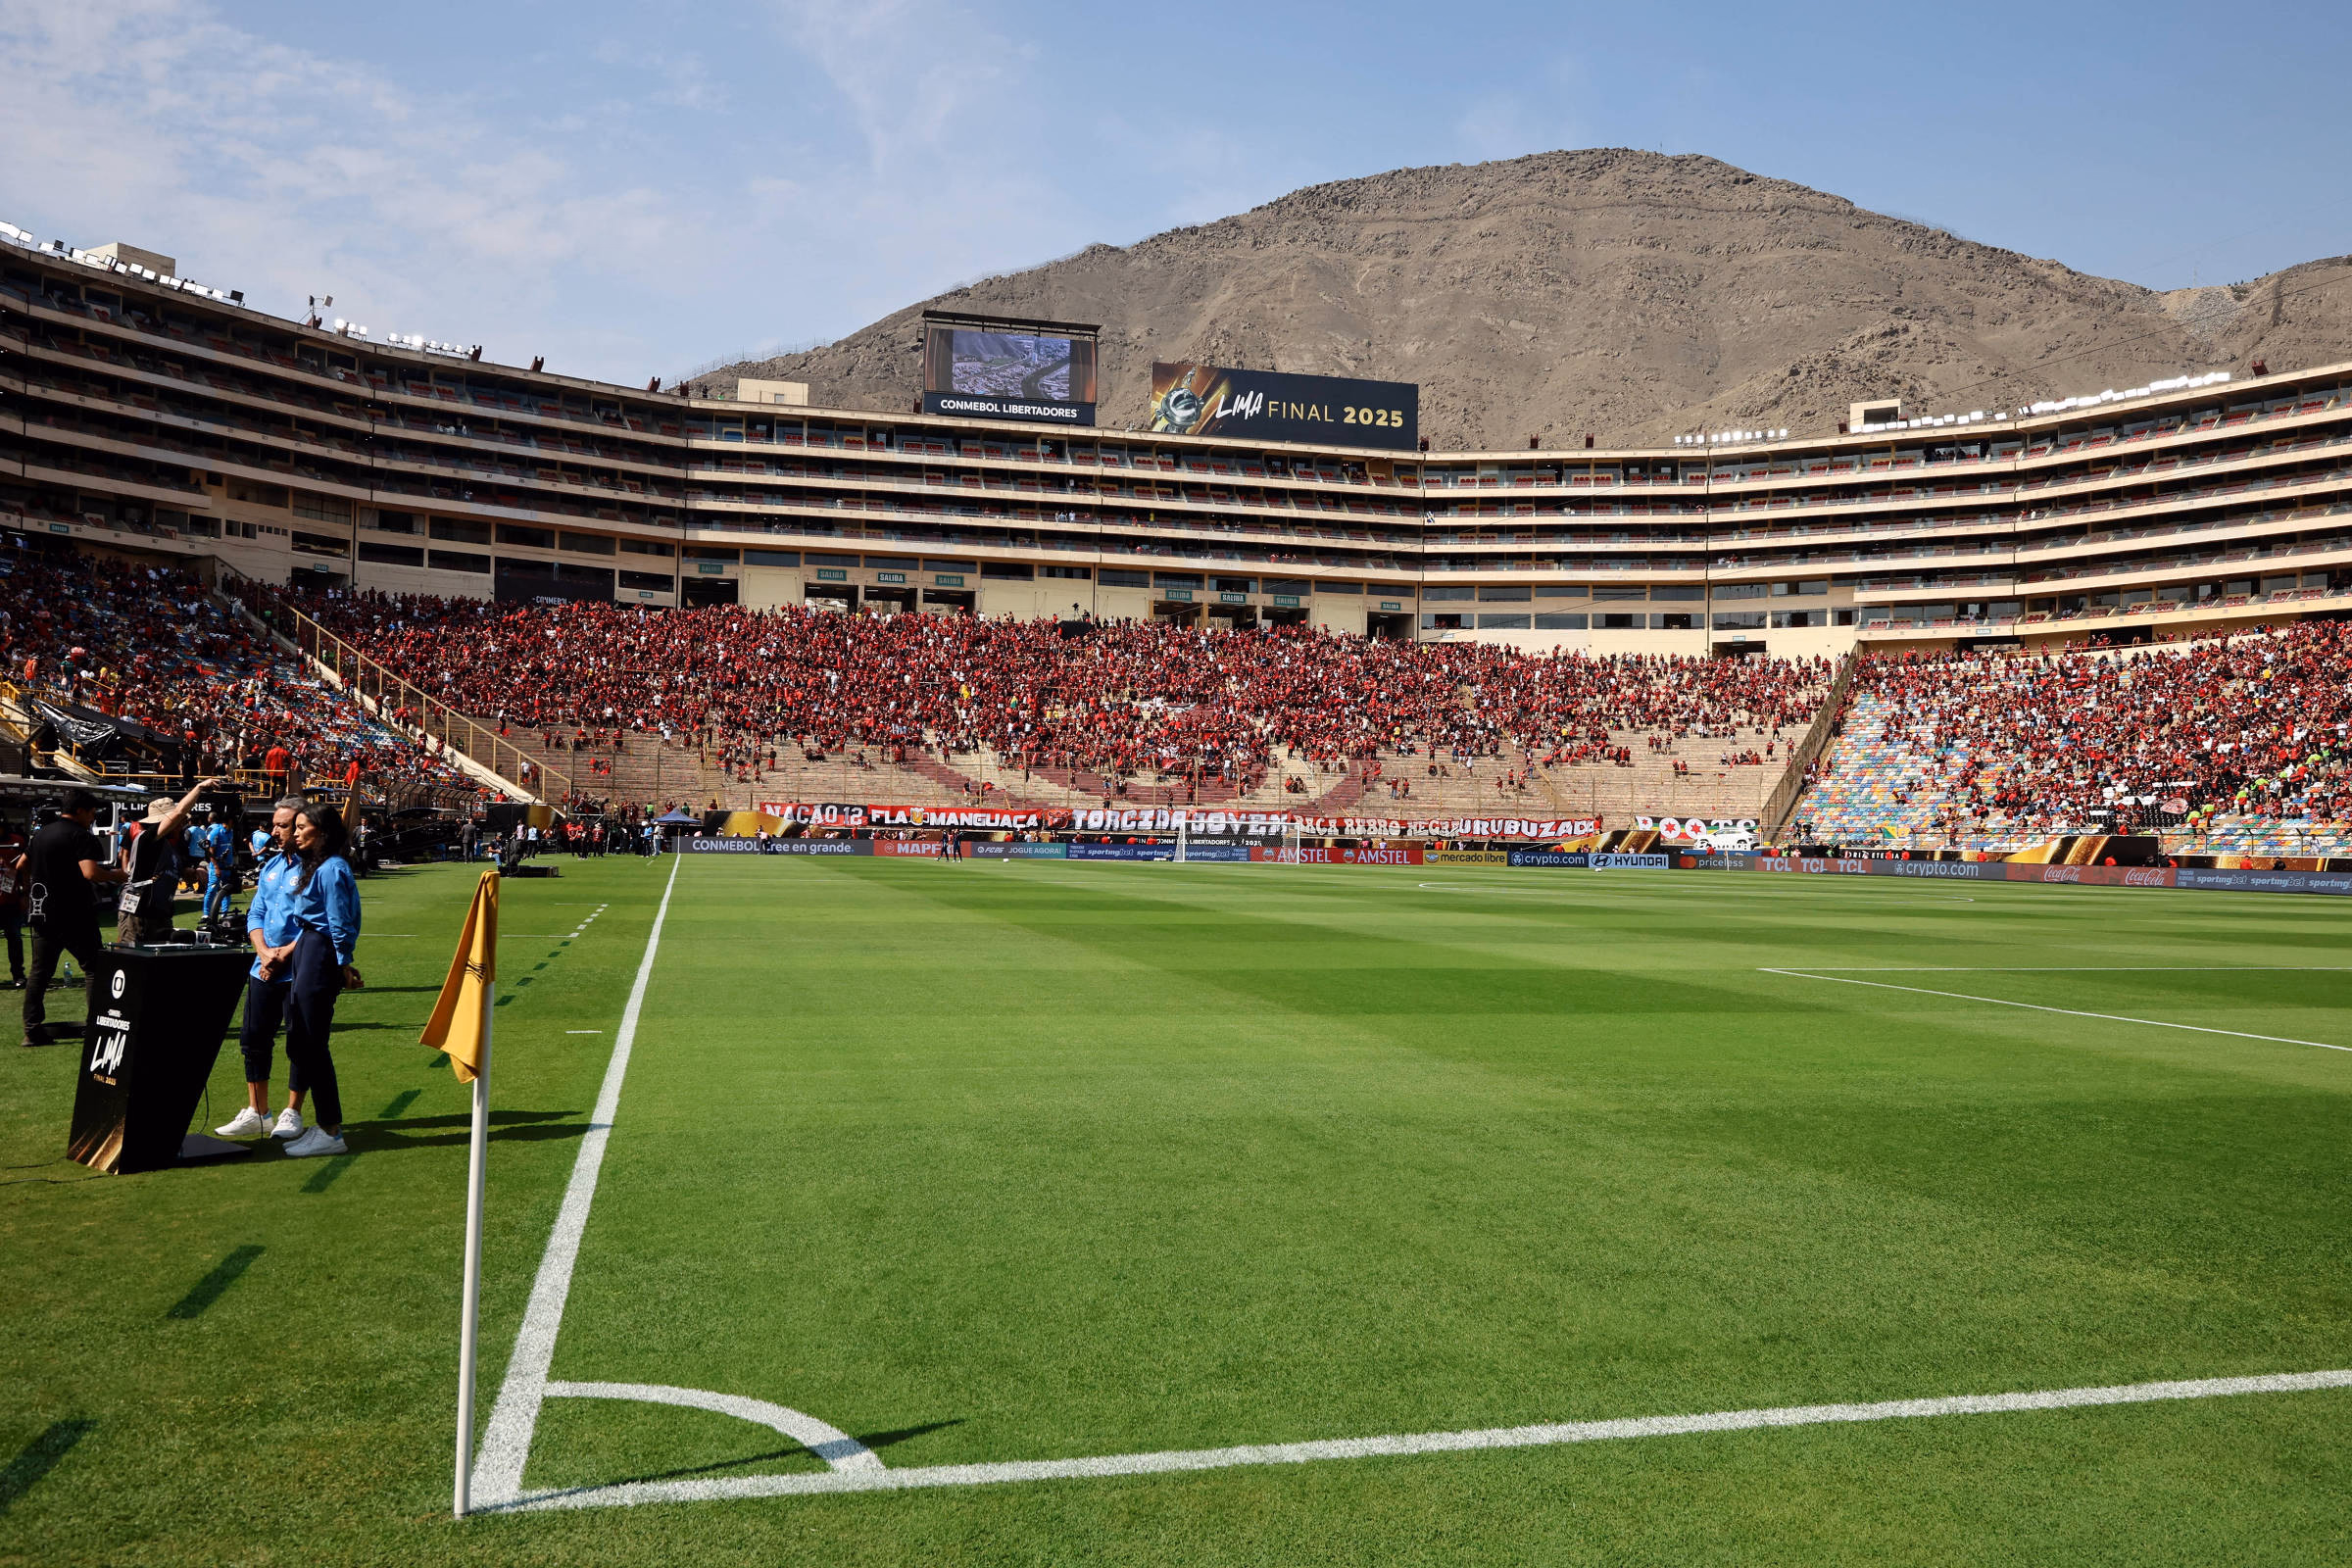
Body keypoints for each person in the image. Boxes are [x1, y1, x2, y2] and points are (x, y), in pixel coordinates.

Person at [219, 800, 360, 1156]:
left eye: (299, 827)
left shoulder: (330, 868)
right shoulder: (313, 866)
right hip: (310, 948)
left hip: (315, 950)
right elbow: (262, 912)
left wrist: (343, 965)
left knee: (310, 1041)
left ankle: (328, 1129)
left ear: (322, 831)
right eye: (289, 827)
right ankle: (319, 1125)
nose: (291, 834)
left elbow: (339, 921)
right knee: (300, 1040)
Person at [21, 790, 124, 1048]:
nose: (93, 818)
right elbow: (89, 873)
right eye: (91, 812)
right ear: (79, 811)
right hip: (75, 914)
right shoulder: (81, 836)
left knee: (39, 973)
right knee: (93, 968)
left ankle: (31, 1031)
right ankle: (95, 1025)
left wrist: (29, 893)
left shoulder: (41, 833)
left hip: (43, 912)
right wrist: (118, 875)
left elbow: (21, 865)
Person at [116, 779, 223, 948]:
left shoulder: (172, 845)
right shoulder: (147, 839)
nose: (182, 824)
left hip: (160, 912)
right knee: (134, 959)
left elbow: (180, 872)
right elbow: (179, 812)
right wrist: (199, 787)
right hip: (139, 911)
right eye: (178, 821)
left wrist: (195, 872)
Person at [0, 823, 25, 990]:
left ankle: (18, 975)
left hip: (11, 899)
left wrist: (24, 894)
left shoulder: (16, 841)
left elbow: (25, 868)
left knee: (15, 937)